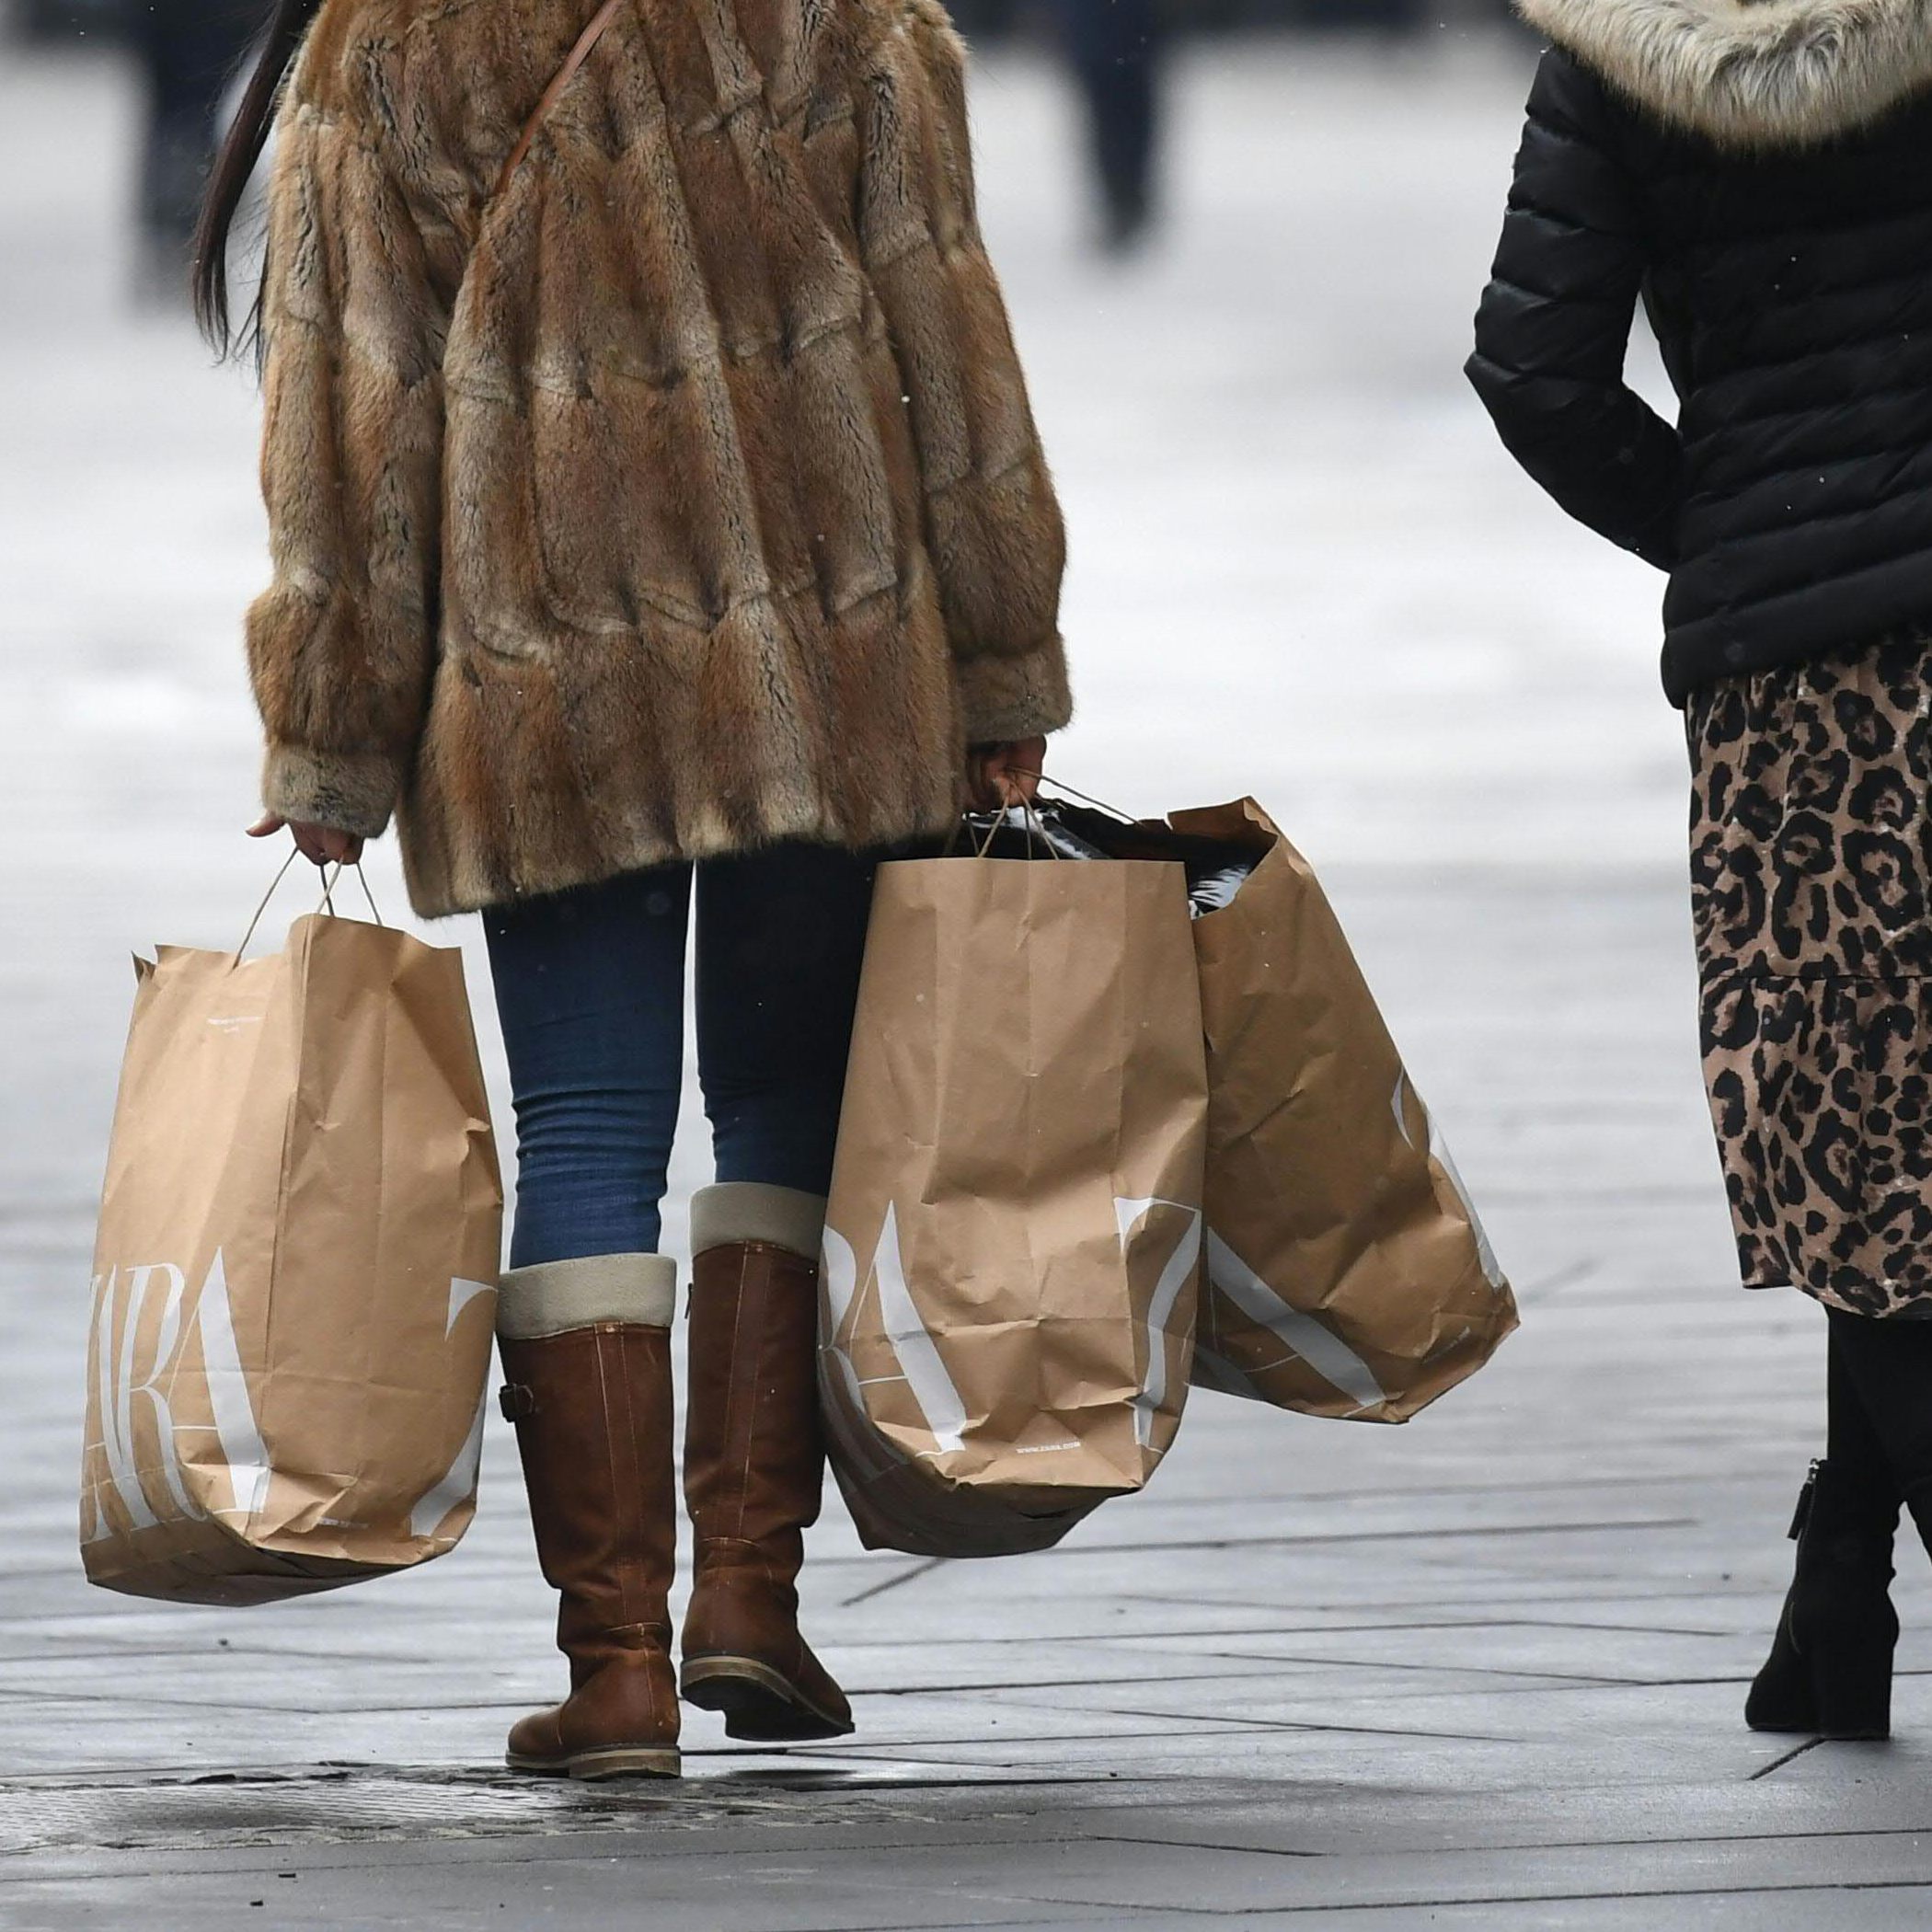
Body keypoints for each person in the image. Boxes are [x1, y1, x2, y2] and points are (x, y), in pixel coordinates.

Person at [193, 0, 1070, 1780]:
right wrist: (1000, 664)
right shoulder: (851, 19)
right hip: (827, 654)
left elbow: (351, 430)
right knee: (779, 1111)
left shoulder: (389, 47)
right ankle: (751, 1590)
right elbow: (952, 344)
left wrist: (330, 732)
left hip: (545, 688)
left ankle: (614, 1677)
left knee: (585, 1130)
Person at [1469, 0, 1932, 1743]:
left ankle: (1848, 1588)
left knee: (1858, 1145)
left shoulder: (1621, 50)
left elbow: (1539, 372)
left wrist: (1744, 525)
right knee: (1915, 1148)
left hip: (1800, 706)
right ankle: (1842, 1587)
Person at [126, 0, 267, 289]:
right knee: (197, 107)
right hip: (209, 17)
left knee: (178, 107)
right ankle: (186, 216)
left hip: (177, 17)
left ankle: (177, 217)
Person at [1052, 0, 1163, 251]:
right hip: (1112, 33)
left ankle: (1127, 195)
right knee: (1117, 115)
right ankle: (1122, 196)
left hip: (1119, 32)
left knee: (1123, 115)